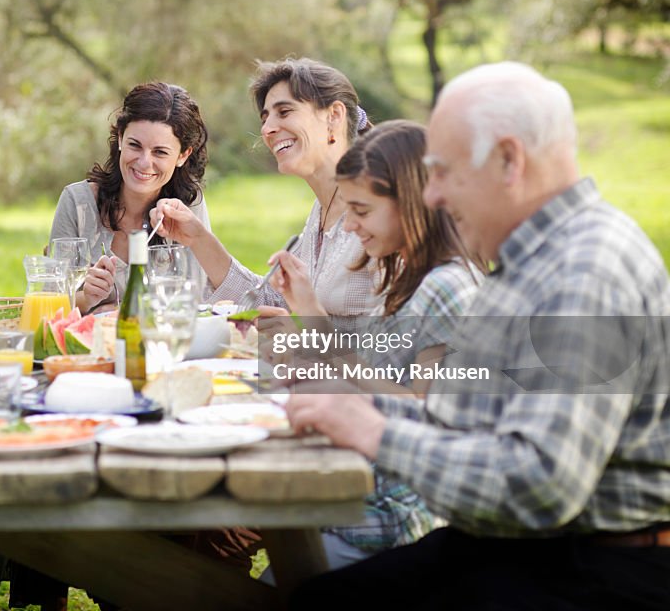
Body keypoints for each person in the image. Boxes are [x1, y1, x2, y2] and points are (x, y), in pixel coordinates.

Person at [286, 62, 670, 610]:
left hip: (598, 569)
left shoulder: (585, 271)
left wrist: (374, 430)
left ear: (509, 160)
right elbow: (464, 421)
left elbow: (540, 485)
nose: (433, 194)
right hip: (526, 549)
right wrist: (354, 403)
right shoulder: (529, 261)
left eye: (443, 171)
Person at [268, 120, 482, 569]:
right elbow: (378, 375)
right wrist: (308, 312)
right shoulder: (407, 273)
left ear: (412, 203)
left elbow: (427, 414)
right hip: (367, 486)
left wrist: (336, 389)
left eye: (361, 211)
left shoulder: (447, 289)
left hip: (399, 515)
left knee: (281, 567)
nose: (350, 226)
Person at [153, 57, 379, 319]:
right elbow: (274, 300)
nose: (268, 129)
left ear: (334, 116)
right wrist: (197, 238)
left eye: (284, 112)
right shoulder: (321, 213)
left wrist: (299, 343)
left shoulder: (381, 214)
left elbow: (399, 351)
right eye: (265, 117)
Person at [49, 81, 210, 311]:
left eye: (160, 152)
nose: (144, 162)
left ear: (183, 155)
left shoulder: (187, 207)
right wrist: (87, 299)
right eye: (135, 145)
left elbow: (198, 301)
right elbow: (48, 302)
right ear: (121, 138)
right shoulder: (77, 202)